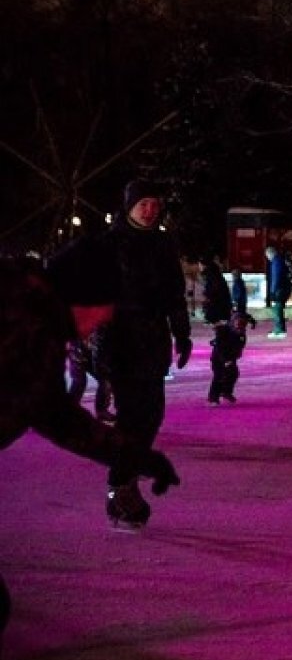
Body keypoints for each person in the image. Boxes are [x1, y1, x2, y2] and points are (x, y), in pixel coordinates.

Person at [0, 239, 181, 644]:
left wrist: (138, 457)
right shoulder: (24, 321)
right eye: (105, 306)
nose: (106, 319)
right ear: (83, 294)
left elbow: (55, 415)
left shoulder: (31, 315)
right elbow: (54, 413)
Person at [95, 180, 192, 529]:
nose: (150, 210)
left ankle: (126, 480)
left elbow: (175, 294)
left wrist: (182, 333)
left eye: (155, 203)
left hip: (153, 339)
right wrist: (99, 346)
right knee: (130, 417)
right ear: (129, 206)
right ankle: (120, 487)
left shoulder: (164, 243)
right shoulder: (111, 242)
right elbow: (97, 297)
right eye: (143, 204)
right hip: (121, 341)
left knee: (152, 414)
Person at [67, 330, 113, 420]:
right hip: (78, 344)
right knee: (79, 381)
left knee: (104, 379)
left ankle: (102, 411)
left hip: (94, 347)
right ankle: (69, 411)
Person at [208, 312, 248, 406]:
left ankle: (226, 392)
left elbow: (240, 347)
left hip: (231, 357)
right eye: (238, 324)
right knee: (218, 376)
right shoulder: (223, 331)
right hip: (218, 358)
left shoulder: (241, 334)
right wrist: (225, 360)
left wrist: (234, 357)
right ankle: (213, 397)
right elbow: (220, 347)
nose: (240, 327)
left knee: (233, 374)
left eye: (242, 325)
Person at [264, 245, 292, 338]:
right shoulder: (280, 260)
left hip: (279, 289)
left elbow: (276, 277)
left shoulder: (276, 262)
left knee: (277, 309)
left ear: (270, 254)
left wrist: (272, 291)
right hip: (283, 287)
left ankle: (279, 330)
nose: (267, 258)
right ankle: (280, 329)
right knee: (278, 308)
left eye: (267, 256)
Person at [199, 255, 232, 325]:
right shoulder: (215, 274)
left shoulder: (211, 275)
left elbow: (213, 290)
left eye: (200, 265)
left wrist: (207, 296)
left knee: (218, 326)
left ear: (205, 265)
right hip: (220, 306)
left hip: (217, 307)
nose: (199, 267)